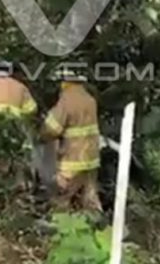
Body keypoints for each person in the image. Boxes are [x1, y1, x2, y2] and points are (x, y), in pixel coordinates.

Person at [40, 68, 102, 213]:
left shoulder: (67, 100)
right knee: (90, 197)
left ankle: (60, 227)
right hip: (92, 158)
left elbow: (52, 129)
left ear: (65, 82)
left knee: (62, 197)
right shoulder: (89, 99)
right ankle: (98, 225)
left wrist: (42, 136)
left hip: (73, 160)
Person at [0, 56, 38, 192]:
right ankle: (20, 189)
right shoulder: (20, 87)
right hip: (14, 131)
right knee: (18, 161)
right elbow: (31, 110)